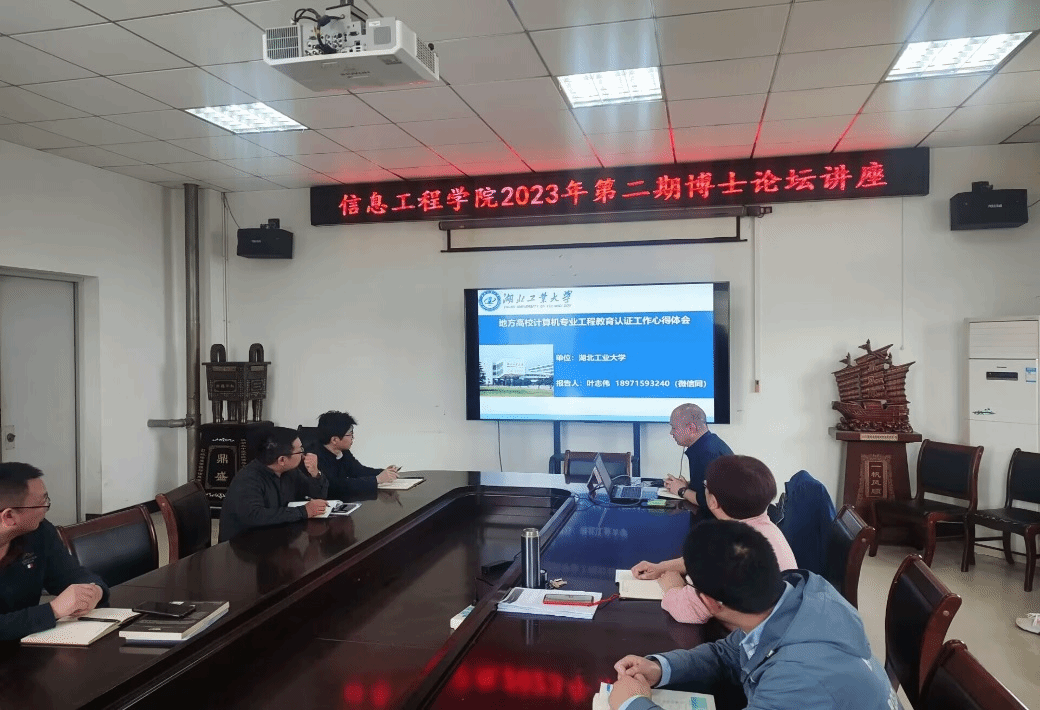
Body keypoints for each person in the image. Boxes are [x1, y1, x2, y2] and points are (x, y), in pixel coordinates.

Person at [609, 521, 900, 710]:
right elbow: (727, 653)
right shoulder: (796, 598)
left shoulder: (798, 677)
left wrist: (632, 704)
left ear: (710, 603)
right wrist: (660, 668)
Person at [631, 455, 797, 623]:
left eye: (705, 485)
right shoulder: (766, 529)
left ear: (713, 501)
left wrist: (672, 587)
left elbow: (686, 611)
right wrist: (660, 567)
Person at [0, 462, 109, 641]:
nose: (46, 508)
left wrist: (95, 591)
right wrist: (53, 610)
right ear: (9, 516)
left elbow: (71, 574)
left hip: (29, 643)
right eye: (41, 503)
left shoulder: (38, 532)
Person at [218, 427, 330, 543]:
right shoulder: (248, 479)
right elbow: (255, 516)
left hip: (276, 539)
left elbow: (317, 496)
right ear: (282, 460)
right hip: (243, 546)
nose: (303, 454)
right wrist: (303, 511)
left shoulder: (290, 471)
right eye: (300, 450)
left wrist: (315, 473)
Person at [308, 411, 398, 500]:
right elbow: (336, 486)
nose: (353, 438)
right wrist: (376, 480)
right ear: (334, 440)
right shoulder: (315, 457)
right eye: (350, 434)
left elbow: (359, 471)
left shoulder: (343, 452)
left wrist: (384, 472)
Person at [662, 403, 732, 519]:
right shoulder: (709, 443)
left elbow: (710, 501)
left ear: (691, 428)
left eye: (674, 428)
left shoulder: (708, 453)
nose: (671, 433)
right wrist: (689, 485)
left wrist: (682, 490)